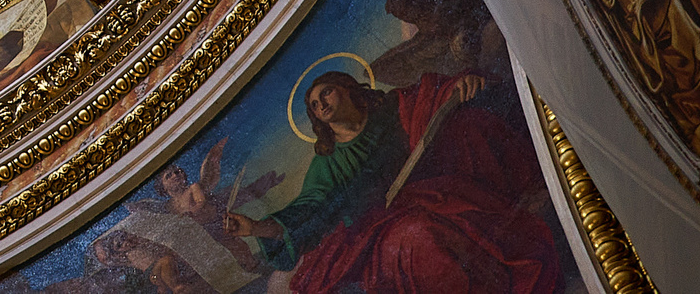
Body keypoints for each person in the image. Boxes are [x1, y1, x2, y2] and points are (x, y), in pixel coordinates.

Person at [224, 69, 562, 294]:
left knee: (468, 126)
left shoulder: (391, 107)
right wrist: (257, 228)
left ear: (348, 89)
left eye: (326, 93)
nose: (321, 104)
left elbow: (431, 98)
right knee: (417, 237)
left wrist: (459, 85)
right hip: (383, 225)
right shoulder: (327, 164)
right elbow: (308, 210)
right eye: (314, 105)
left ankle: (537, 196)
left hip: (435, 183)